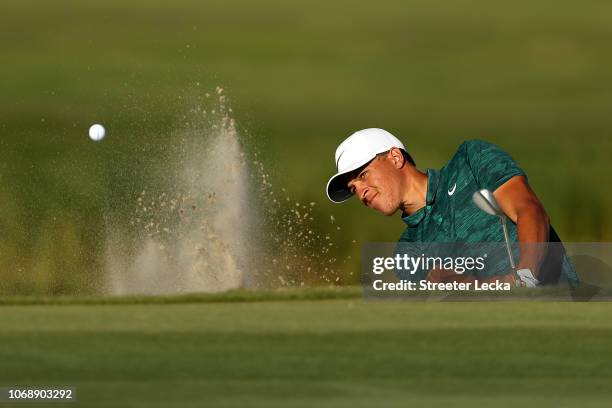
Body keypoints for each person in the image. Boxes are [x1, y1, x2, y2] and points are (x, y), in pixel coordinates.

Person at [326, 128, 578, 287]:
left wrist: (525, 278)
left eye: (363, 174)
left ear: (395, 157)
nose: (360, 191)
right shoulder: (407, 253)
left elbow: (530, 211)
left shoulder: (471, 160)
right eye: (352, 189)